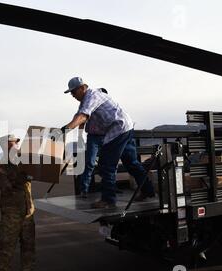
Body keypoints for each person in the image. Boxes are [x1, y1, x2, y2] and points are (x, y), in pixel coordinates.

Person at [61, 76, 154, 209]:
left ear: (82, 88)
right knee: (131, 163)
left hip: (118, 129)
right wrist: (70, 127)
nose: (72, 95)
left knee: (106, 165)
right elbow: (79, 116)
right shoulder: (85, 101)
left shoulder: (92, 95)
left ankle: (108, 200)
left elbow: (82, 117)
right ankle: (148, 190)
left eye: (74, 92)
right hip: (125, 127)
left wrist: (66, 129)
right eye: (71, 93)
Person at [0, 134, 46, 271]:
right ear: (4, 146)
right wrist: (23, 176)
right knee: (6, 250)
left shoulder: (24, 162)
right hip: (11, 217)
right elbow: (6, 188)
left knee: (29, 247)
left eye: (17, 142)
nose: (16, 145)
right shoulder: (0, 166)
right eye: (12, 143)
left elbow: (40, 171)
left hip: (28, 213)